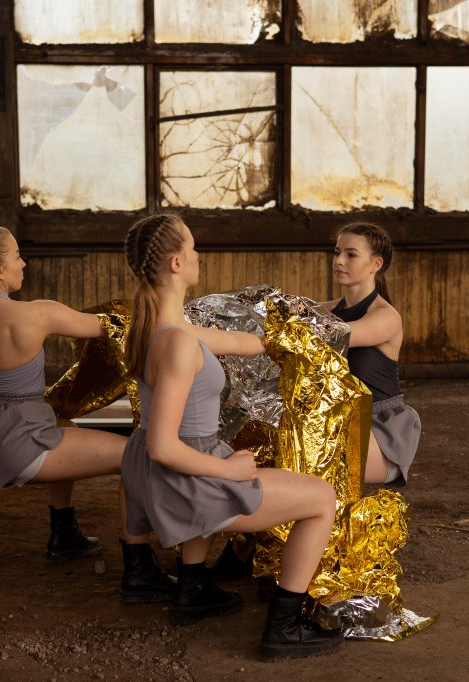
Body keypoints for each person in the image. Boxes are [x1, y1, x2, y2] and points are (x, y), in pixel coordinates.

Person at [121, 213, 343, 661]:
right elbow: (164, 446)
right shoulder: (179, 343)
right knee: (322, 498)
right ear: (177, 263)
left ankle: (192, 588)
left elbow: (241, 343)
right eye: (193, 247)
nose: (199, 254)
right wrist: (228, 469)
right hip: (183, 477)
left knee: (221, 446)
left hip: (154, 471)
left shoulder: (159, 330)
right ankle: (284, 627)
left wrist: (291, 336)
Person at [0, 225, 173, 603]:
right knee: (135, 455)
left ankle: (63, 535)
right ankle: (139, 568)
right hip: (21, 443)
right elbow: (110, 327)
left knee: (64, 424)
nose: (23, 263)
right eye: (17, 256)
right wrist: (159, 301)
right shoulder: (37, 313)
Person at [321, 222, 421, 486]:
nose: (339, 261)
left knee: (308, 451)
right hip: (337, 421)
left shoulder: (386, 317)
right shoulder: (325, 312)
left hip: (379, 430)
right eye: (337, 252)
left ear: (376, 264)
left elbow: (335, 334)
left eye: (351, 254)